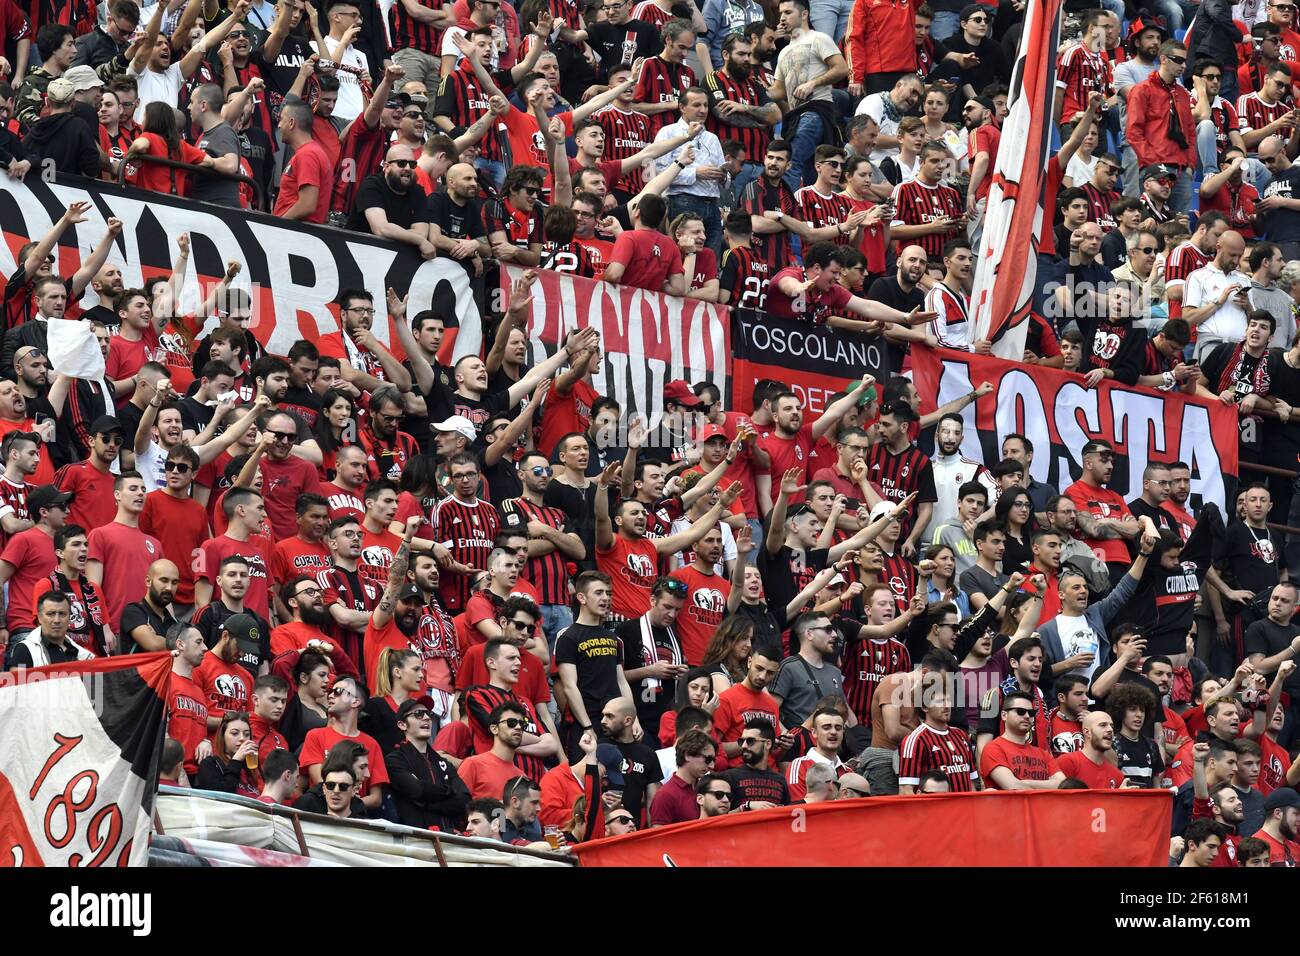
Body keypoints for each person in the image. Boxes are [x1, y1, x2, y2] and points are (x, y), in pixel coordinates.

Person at [299, 675, 391, 813]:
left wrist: (351, 807)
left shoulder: (372, 744)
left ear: (355, 701)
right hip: (322, 814)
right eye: (330, 692)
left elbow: (376, 798)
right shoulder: (316, 736)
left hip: (356, 819)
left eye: (337, 692)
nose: (330, 696)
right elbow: (321, 782)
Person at [383, 698, 471, 831]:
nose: (426, 718)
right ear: (402, 725)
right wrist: (450, 792)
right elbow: (418, 790)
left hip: (448, 839)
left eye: (428, 714)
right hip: (415, 841)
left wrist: (425, 801)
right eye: (418, 714)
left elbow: (464, 801)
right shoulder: (394, 759)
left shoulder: (443, 763)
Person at [979, 690, 1066, 790]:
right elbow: (1013, 787)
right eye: (1020, 711)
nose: (1027, 716)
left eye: (1031, 712)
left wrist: (1024, 783)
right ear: (1004, 715)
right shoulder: (993, 749)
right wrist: (1048, 785)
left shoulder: (1043, 754)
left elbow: (1063, 784)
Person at [650, 729, 717, 826]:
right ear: (687, 755)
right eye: (708, 759)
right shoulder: (665, 795)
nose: (712, 766)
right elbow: (659, 838)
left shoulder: (705, 788)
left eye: (714, 760)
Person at [1056, 711, 1127, 789]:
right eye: (1103, 725)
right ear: (1087, 732)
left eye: (1112, 726)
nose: (1110, 730)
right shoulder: (1068, 762)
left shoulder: (1117, 775)